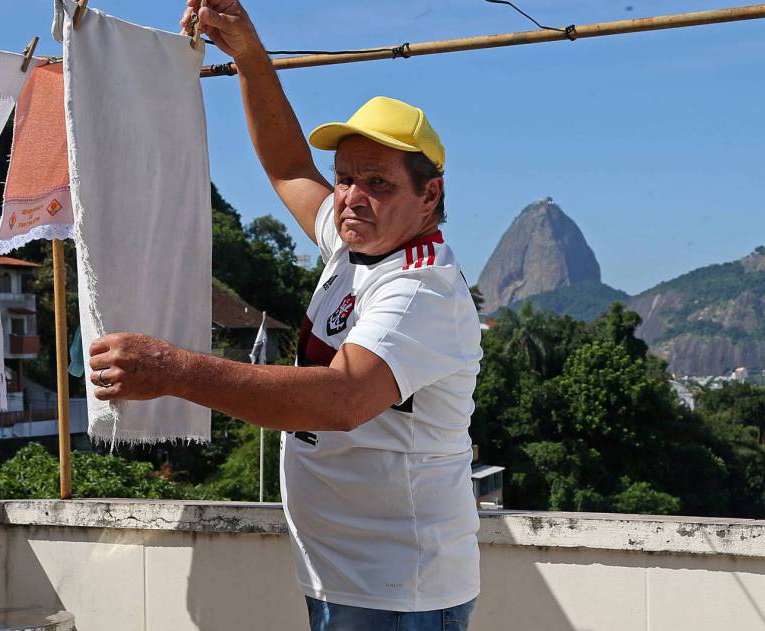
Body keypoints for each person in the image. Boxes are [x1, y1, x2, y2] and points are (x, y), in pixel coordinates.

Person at [85, 1, 484, 628]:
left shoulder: (422, 286)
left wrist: (173, 371)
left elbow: (342, 399)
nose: (351, 197)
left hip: (398, 589)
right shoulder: (357, 245)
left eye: (377, 183)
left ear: (428, 194)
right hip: (346, 573)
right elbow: (289, 166)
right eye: (346, 177)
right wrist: (247, 51)